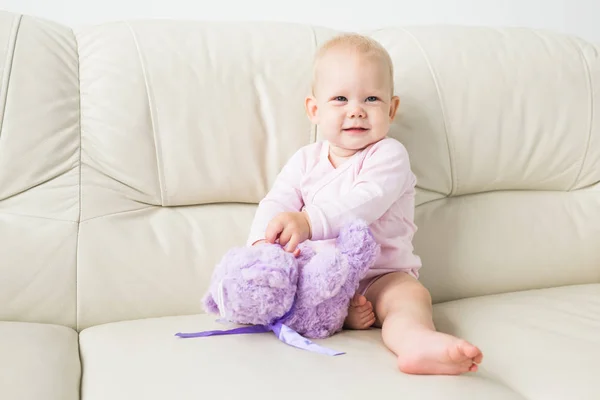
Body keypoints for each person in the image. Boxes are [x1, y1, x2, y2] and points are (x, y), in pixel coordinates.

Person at [247, 33, 483, 375]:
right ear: (315, 110)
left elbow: (364, 202)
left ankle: (416, 341)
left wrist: (308, 222)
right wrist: (261, 246)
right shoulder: (304, 161)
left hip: (381, 276)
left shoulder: (389, 155)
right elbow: (276, 202)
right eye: (340, 99)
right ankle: (340, 314)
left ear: (392, 108)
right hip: (320, 277)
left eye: (371, 98)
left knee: (410, 298)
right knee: (293, 294)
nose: (356, 110)